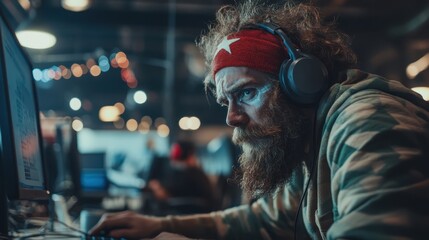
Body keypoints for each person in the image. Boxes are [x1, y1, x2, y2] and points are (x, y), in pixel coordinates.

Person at [90, 0, 429, 239]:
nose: (232, 118)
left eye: (247, 93)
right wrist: (158, 226)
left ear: (301, 83)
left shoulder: (366, 123)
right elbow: (263, 220)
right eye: (226, 101)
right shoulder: (310, 141)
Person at [147, 140, 217, 214]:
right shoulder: (194, 172)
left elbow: (165, 195)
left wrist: (158, 188)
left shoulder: (191, 173)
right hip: (196, 211)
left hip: (190, 213)